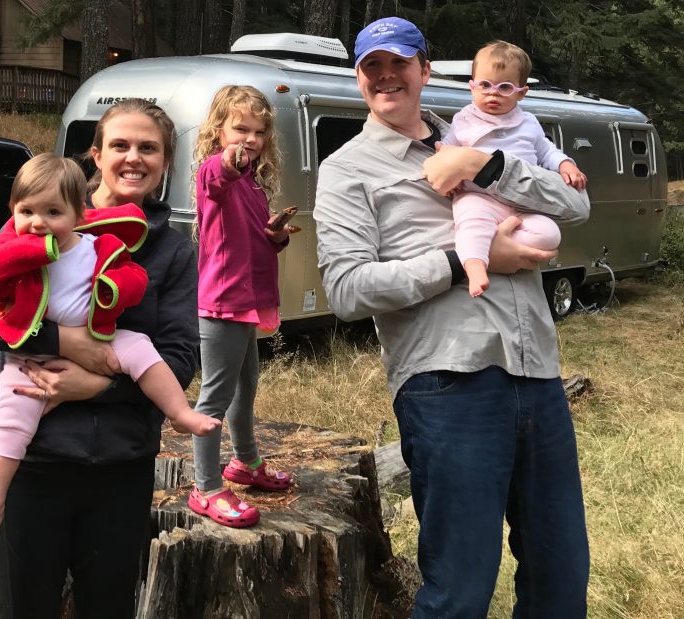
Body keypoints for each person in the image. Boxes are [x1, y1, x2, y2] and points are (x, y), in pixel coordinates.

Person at [314, 17, 590, 617]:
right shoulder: (347, 168)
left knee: (562, 576)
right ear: (359, 78)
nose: (386, 76)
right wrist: (462, 261)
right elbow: (346, 290)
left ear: (426, 70)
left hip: (538, 374)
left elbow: (577, 204)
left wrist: (484, 166)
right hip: (446, 385)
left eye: (399, 63)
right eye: (372, 67)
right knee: (460, 590)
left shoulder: (480, 131)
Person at [0, 99, 199, 618]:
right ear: (96, 155)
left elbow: (178, 357)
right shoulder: (41, 212)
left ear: (166, 161)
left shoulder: (172, 251)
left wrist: (99, 386)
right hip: (31, 459)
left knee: (108, 607)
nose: (134, 158)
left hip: (119, 464)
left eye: (149, 148)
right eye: (120, 145)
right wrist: (60, 341)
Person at [0, 153, 219, 556]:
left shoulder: (103, 245)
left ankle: (180, 412)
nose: (38, 222)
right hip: (28, 362)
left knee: (141, 349)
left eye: (52, 212)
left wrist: (114, 293)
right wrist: (57, 338)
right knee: (6, 430)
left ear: (78, 214)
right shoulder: (11, 245)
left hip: (103, 351)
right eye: (27, 211)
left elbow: (136, 281)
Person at [187, 85, 295, 529]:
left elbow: (252, 237)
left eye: (259, 132)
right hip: (223, 301)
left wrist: (276, 235)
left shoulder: (253, 184)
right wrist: (230, 161)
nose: (250, 139)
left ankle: (246, 462)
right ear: (218, 131)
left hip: (247, 299)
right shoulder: (216, 172)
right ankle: (206, 486)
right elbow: (218, 176)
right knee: (214, 396)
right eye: (240, 129)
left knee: (246, 386)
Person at [442, 40, 589, 296]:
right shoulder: (463, 119)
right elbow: (447, 151)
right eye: (485, 85)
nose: (493, 94)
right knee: (471, 221)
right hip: (480, 197)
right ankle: (475, 266)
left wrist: (565, 164)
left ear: (522, 92)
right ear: (472, 86)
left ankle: (503, 248)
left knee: (550, 234)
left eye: (505, 87)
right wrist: (451, 177)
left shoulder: (528, 122)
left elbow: (546, 151)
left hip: (522, 203)